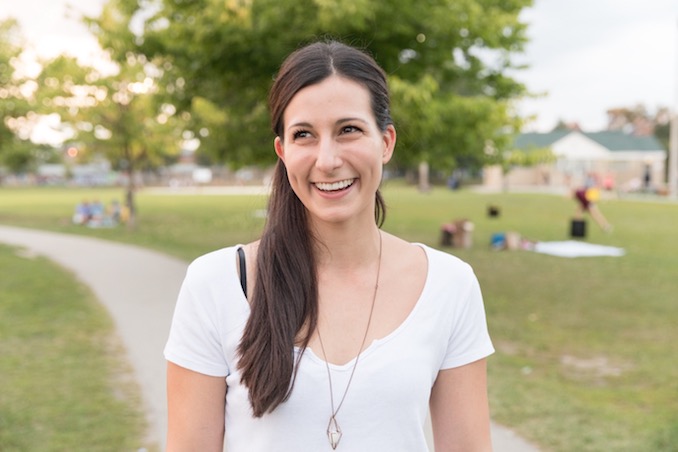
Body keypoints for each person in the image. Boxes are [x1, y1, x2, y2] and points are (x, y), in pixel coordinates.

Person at [164, 40, 495, 452]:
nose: (327, 160)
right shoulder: (215, 283)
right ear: (283, 152)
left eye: (349, 130)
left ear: (386, 142)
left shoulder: (449, 284)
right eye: (304, 135)